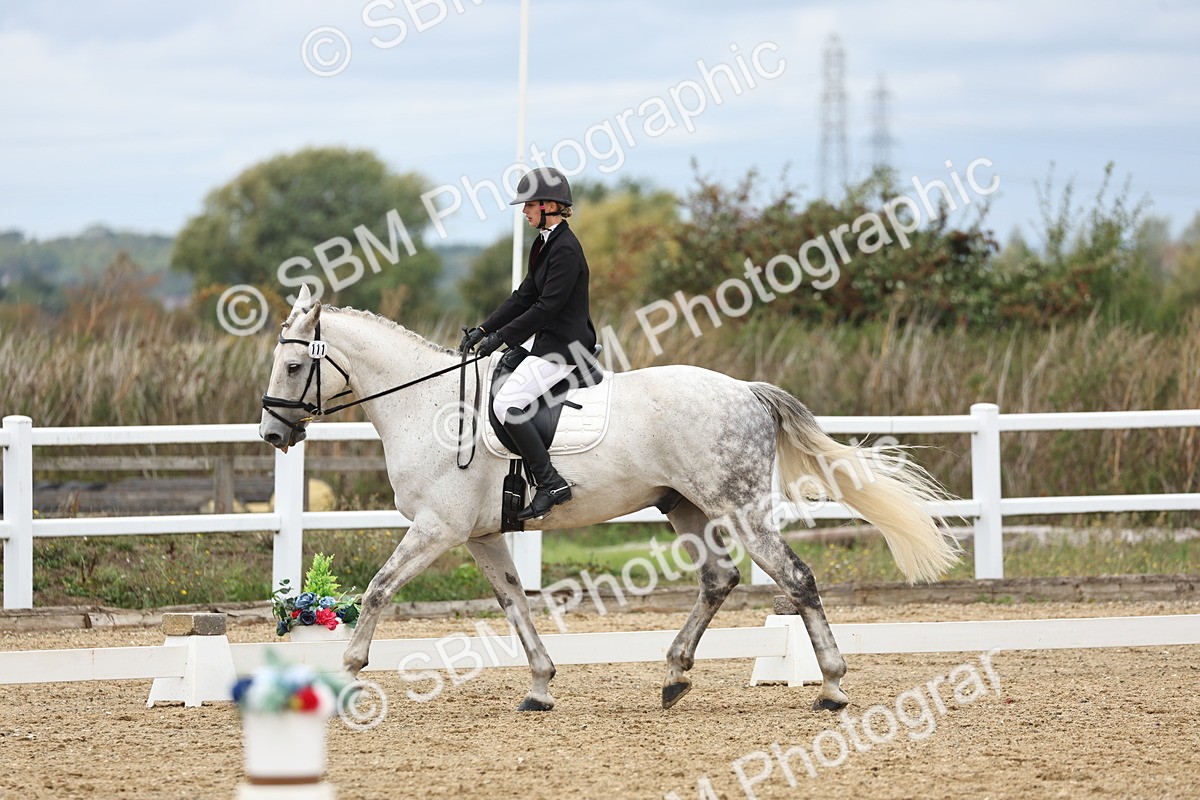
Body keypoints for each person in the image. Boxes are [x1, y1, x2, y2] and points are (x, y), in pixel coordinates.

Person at [459, 167, 598, 521]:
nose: (524, 212)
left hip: (564, 348)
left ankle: (550, 483)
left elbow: (547, 306)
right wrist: (483, 329)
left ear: (550, 205)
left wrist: (501, 339)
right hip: (545, 341)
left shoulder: (565, 249)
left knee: (507, 404)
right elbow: (523, 297)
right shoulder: (544, 243)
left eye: (529, 206)